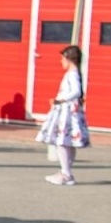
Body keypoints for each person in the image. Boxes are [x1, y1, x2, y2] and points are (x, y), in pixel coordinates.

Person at [37, 45, 90, 186]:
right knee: (67, 142)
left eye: (62, 58)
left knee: (62, 141)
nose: (61, 61)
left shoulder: (72, 74)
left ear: (69, 59)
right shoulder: (75, 73)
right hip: (69, 110)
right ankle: (66, 171)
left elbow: (76, 91)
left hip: (66, 111)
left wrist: (61, 99)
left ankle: (66, 173)